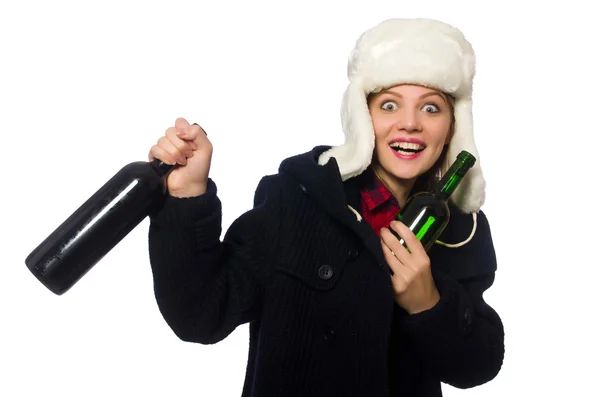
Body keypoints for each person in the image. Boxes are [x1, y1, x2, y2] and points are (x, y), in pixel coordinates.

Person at [146, 17, 505, 397]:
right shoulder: (298, 196)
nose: (410, 124)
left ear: (451, 127)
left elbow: (478, 365)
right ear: (363, 116)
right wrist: (186, 196)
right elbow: (200, 314)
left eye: (431, 108)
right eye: (389, 105)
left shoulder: (462, 230)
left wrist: (429, 303)